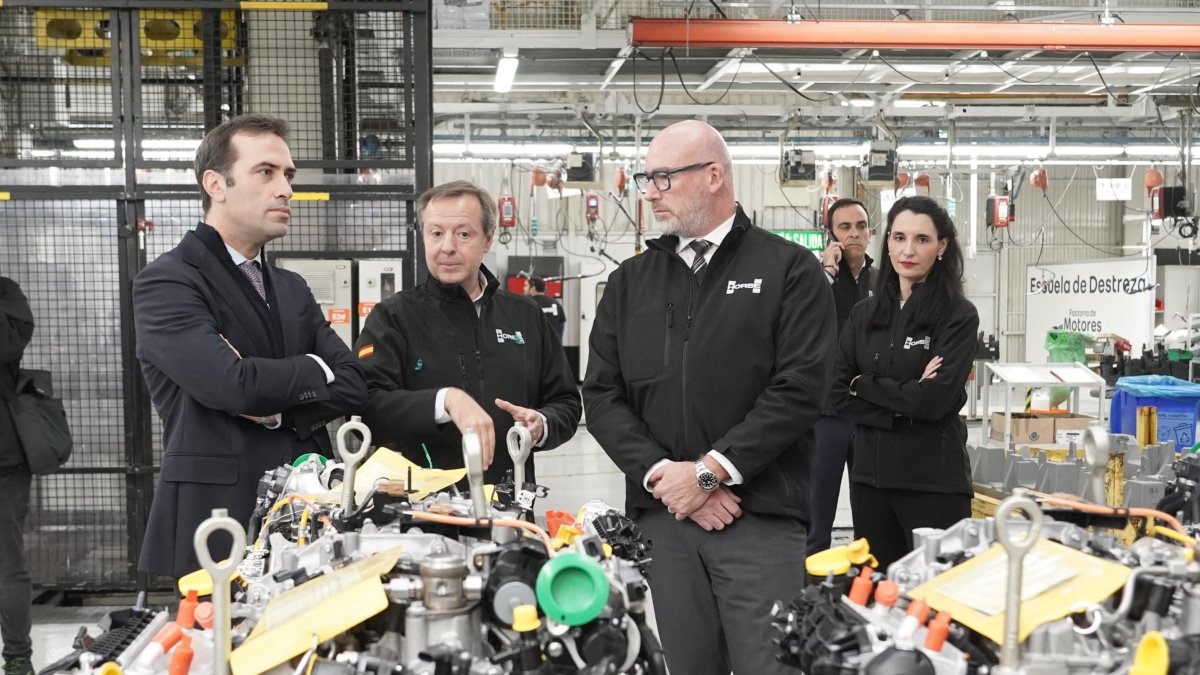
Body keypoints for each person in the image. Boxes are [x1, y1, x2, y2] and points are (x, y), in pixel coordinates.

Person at [582, 120, 836, 675]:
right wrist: (665, 477)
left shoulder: (789, 270)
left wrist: (708, 474)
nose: (649, 192)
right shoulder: (629, 282)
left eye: (664, 178)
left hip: (758, 519)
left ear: (714, 176)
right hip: (664, 522)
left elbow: (799, 389)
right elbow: (601, 395)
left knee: (768, 665)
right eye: (647, 179)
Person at [134, 114, 367, 580]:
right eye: (266, 173)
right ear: (216, 184)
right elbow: (233, 386)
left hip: (306, 509)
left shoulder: (291, 287)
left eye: (288, 175)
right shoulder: (168, 282)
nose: (285, 189)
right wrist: (315, 369)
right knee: (222, 647)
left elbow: (354, 384)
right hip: (220, 517)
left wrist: (278, 406)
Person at [355, 180, 580, 484]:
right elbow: (366, 406)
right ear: (424, 237)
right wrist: (443, 401)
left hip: (509, 507)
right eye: (436, 233)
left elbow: (566, 402)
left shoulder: (525, 316)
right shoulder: (393, 318)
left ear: (487, 240)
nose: (447, 246)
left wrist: (542, 424)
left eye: (463, 234)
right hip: (420, 513)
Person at [830, 195, 979, 570]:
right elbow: (835, 391)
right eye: (899, 238)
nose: (907, 250)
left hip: (933, 484)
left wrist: (864, 384)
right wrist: (904, 402)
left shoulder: (957, 316)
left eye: (922, 239)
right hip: (870, 483)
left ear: (942, 246)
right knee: (878, 600)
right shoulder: (864, 314)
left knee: (936, 605)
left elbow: (935, 401)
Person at [807, 197, 874, 556]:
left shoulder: (885, 281)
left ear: (871, 232)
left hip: (870, 412)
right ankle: (810, 587)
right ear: (830, 234)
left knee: (870, 510)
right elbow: (801, 317)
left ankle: (867, 584)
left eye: (861, 226)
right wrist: (827, 271)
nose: (854, 234)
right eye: (844, 227)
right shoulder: (817, 279)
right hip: (827, 412)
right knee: (818, 509)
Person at [0, 277, 35, 675]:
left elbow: (8, 345)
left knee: (8, 561)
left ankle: (18, 656)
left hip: (5, 461)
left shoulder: (5, 293)